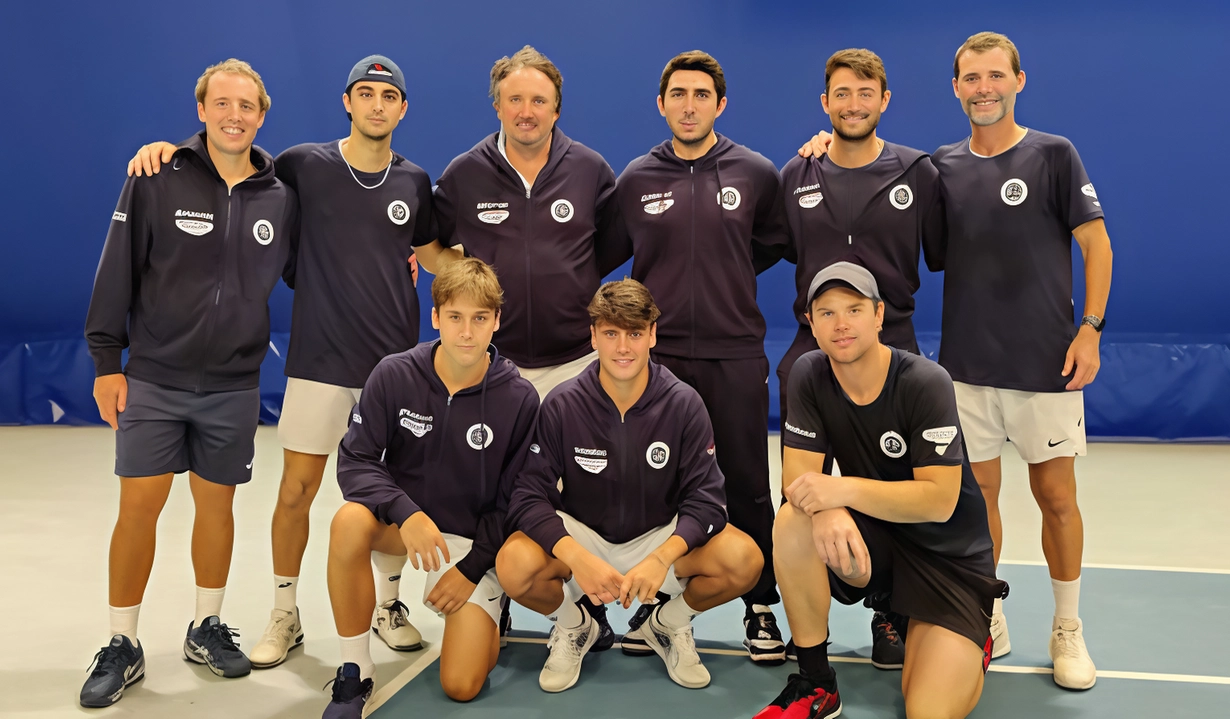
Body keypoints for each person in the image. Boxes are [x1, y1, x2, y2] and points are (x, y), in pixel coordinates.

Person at [125, 55, 441, 668]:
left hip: (394, 370)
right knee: (296, 491)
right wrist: (167, 153)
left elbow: (433, 255)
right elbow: (232, 165)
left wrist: (476, 279)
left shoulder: (415, 181)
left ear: (403, 109)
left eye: (389, 96)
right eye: (365, 93)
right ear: (347, 102)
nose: (377, 105)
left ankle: (389, 606)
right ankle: (284, 612)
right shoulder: (301, 165)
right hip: (320, 359)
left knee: (394, 491)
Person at [80, 59, 298, 707]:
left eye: (248, 106)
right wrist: (106, 363)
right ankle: (122, 642)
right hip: (154, 377)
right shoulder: (154, 177)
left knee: (218, 510)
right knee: (138, 511)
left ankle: (206, 625)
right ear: (201, 110)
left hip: (233, 385)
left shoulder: (279, 194)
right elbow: (115, 271)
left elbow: (315, 265)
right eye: (222, 103)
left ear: (262, 115)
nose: (235, 115)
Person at [932, 32, 1113, 689]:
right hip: (966, 368)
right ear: (955, 88)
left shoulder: (1054, 155)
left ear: (1019, 80)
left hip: (1046, 366)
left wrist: (1088, 328)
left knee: (1055, 496)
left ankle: (1067, 628)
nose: (984, 88)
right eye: (971, 78)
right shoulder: (941, 167)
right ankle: (988, 612)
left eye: (995, 76)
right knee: (976, 503)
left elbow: (1097, 246)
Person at [756, 262, 1005, 719]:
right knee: (794, 520)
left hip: (947, 562)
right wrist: (824, 506)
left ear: (878, 315)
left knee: (926, 711)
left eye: (853, 309)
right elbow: (799, 483)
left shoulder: (925, 382)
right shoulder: (808, 373)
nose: (841, 324)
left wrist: (837, 491)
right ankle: (816, 683)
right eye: (826, 313)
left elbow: (938, 499)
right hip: (880, 547)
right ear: (811, 325)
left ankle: (971, 638)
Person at [608, 50, 789, 663]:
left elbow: (770, 244)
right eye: (678, 95)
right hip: (656, 361)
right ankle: (660, 604)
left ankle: (760, 604)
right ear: (661, 104)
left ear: (720, 104)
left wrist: (724, 279)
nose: (689, 105)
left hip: (734, 353)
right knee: (660, 483)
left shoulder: (757, 173)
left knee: (745, 481)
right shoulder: (635, 178)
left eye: (701, 95)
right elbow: (606, 253)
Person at [496, 279, 763, 693]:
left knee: (744, 559)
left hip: (658, 538)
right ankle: (575, 627)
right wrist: (577, 558)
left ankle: (667, 624)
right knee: (513, 564)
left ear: (652, 335)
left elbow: (708, 502)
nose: (623, 348)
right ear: (594, 336)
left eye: (635, 333)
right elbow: (528, 496)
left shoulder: (683, 403)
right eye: (611, 334)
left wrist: (661, 558)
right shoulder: (563, 403)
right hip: (585, 540)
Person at [778, 47, 946, 669]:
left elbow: (951, 251)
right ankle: (805, 637)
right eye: (841, 94)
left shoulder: (918, 173)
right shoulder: (797, 174)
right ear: (825, 104)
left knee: (897, 481)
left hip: (892, 342)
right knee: (797, 494)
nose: (853, 105)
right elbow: (763, 247)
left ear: (885, 100)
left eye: (865, 93)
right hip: (815, 345)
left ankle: (891, 611)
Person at [322, 258, 539, 716]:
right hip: (408, 527)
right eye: (455, 317)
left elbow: (517, 499)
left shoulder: (518, 397)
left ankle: (489, 613)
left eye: (480, 319)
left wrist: (473, 567)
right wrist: (407, 512)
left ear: (497, 321)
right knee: (348, 522)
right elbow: (355, 461)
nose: (466, 332)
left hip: (469, 543)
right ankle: (354, 671)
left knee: (461, 685)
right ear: (435, 317)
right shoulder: (394, 373)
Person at [431, 45, 620, 401]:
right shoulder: (465, 173)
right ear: (498, 108)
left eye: (538, 101)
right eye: (515, 99)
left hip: (576, 359)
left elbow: (607, 250)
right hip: (492, 359)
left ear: (556, 110)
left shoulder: (590, 170)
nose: (526, 112)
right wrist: (462, 269)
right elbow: (429, 247)